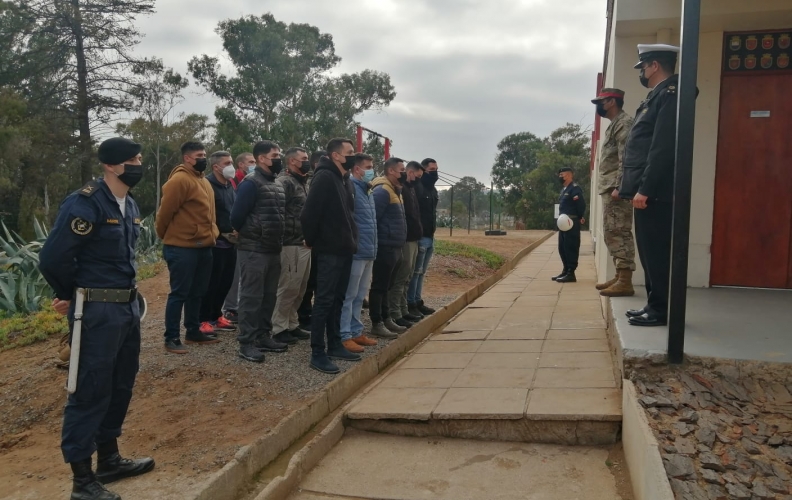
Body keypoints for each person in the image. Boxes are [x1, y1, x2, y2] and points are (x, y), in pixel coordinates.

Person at [39, 137, 154, 500]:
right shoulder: (85, 202)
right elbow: (53, 257)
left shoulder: (129, 203)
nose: (137, 164)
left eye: (138, 158)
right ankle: (82, 481)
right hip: (97, 310)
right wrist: (71, 293)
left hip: (126, 307)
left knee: (121, 383)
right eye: (131, 159)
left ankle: (109, 459)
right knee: (89, 389)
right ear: (110, 165)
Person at [619, 44, 682, 328]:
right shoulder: (656, 96)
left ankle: (659, 310)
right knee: (648, 251)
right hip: (647, 191)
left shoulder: (669, 95)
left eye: (643, 67)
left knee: (655, 253)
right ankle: (653, 304)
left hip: (655, 193)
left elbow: (661, 148)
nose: (642, 73)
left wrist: (645, 188)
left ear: (654, 65)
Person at [300, 139, 361, 374]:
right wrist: (314, 241)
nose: (353, 156)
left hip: (345, 248)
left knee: (338, 298)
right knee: (324, 300)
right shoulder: (324, 177)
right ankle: (318, 352)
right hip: (329, 250)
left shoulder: (343, 178)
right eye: (349, 153)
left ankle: (335, 344)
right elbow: (309, 214)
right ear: (336, 155)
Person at [156, 141, 220, 353]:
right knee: (179, 293)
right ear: (187, 158)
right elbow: (164, 213)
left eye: (205, 154)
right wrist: (167, 236)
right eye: (200, 155)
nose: (204, 158)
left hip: (204, 246)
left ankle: (193, 331)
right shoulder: (180, 180)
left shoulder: (204, 181)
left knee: (198, 292)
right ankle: (171, 337)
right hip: (182, 248)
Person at [231, 140, 288, 362]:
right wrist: (255, 233)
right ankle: (246, 342)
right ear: (262, 159)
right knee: (251, 297)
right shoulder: (250, 183)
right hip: (254, 249)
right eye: (275, 155)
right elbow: (236, 217)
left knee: (269, 295)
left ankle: (264, 335)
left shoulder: (276, 184)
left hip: (273, 248)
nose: (278, 158)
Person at [591, 88, 636, 297]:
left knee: (619, 232)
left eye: (601, 102)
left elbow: (625, 158)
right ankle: (620, 275)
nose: (598, 106)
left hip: (616, 189)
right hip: (610, 188)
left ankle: (625, 280)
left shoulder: (624, 123)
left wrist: (621, 186)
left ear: (611, 102)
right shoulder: (613, 125)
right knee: (612, 232)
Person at [271, 147, 312, 344]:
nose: (307, 161)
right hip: (290, 243)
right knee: (288, 287)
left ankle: (291, 323)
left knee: (300, 288)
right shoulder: (284, 182)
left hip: (305, 243)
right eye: (303, 158)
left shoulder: (303, 182)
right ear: (292, 162)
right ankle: (278, 327)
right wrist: (289, 237)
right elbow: (278, 214)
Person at [339, 153, 379, 353]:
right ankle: (344, 334)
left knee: (359, 295)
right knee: (349, 295)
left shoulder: (367, 190)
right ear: (357, 169)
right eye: (369, 166)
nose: (372, 170)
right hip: (356, 252)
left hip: (368, 251)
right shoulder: (351, 189)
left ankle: (356, 331)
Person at [198, 151, 238, 334]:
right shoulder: (207, 185)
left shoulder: (230, 185)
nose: (232, 166)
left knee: (226, 282)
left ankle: (216, 315)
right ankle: (203, 319)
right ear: (216, 167)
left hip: (232, 242)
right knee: (210, 284)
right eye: (227, 163)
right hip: (215, 243)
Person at [369, 157, 409, 338]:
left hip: (396, 246)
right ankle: (377, 322)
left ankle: (386, 319)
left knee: (388, 285)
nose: (404, 172)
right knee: (379, 286)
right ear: (391, 171)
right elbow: (373, 219)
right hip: (385, 246)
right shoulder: (382, 191)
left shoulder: (396, 190)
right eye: (402, 169)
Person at [388, 161, 424, 328]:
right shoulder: (400, 190)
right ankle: (395, 312)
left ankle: (403, 310)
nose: (418, 179)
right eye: (417, 175)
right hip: (406, 239)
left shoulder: (410, 189)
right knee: (401, 277)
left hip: (414, 238)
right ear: (410, 173)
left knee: (408, 277)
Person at [221, 152, 255, 324]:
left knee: (241, 275)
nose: (253, 164)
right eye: (251, 162)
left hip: (241, 235)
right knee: (234, 276)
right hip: (232, 235)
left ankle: (235, 306)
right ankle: (231, 309)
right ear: (242, 165)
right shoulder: (236, 182)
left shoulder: (244, 181)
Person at [297, 150, 328, 330]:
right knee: (307, 283)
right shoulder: (312, 182)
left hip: (320, 239)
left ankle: (313, 314)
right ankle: (304, 315)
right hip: (307, 240)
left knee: (317, 281)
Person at [407, 158, 439, 317]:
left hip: (430, 236)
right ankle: (410, 303)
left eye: (436, 169)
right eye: (432, 170)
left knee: (421, 272)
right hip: (419, 237)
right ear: (424, 170)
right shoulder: (417, 188)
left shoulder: (433, 190)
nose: (435, 173)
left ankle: (418, 301)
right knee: (415, 272)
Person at [553, 167, 586, 283]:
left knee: (571, 247)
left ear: (569, 175)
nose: (560, 177)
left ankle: (571, 273)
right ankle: (565, 270)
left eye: (562, 175)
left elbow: (581, 205)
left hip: (571, 223)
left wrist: (580, 217)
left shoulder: (575, 189)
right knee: (562, 248)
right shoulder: (564, 190)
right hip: (563, 224)